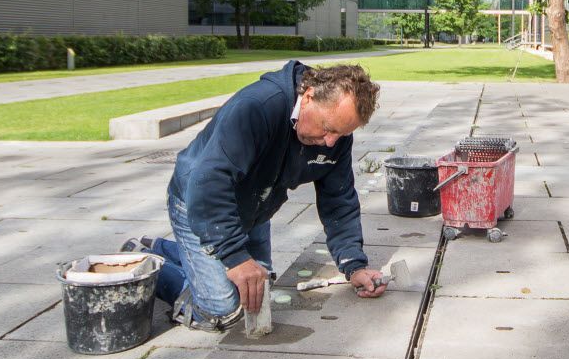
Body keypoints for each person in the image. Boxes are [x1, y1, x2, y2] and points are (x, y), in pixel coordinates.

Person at [131, 61, 385, 331]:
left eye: (342, 133)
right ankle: (145, 264)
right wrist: (234, 257)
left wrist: (353, 266)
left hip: (254, 207)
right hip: (199, 202)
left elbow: (339, 201)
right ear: (308, 96)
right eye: (328, 128)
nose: (332, 141)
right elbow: (209, 183)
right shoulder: (258, 107)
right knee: (224, 310)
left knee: (257, 290)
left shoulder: (335, 137)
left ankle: (174, 250)